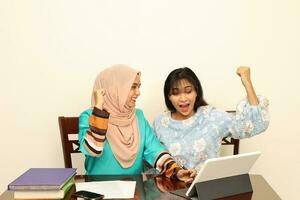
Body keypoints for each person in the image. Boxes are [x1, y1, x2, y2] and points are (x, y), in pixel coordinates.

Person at [78, 64, 196, 183]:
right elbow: (93, 150)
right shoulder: (89, 116)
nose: (138, 92)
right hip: (99, 190)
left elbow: (155, 151)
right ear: (114, 89)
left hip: (133, 190)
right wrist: (99, 108)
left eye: (139, 87)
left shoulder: (138, 116)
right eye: (133, 87)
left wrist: (177, 171)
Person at [153, 66, 270, 171]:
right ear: (168, 96)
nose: (183, 98)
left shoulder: (212, 117)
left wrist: (247, 82)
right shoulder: (160, 123)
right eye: (176, 93)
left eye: (188, 91)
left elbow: (255, 124)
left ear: (196, 92)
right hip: (172, 190)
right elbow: (152, 161)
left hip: (207, 188)